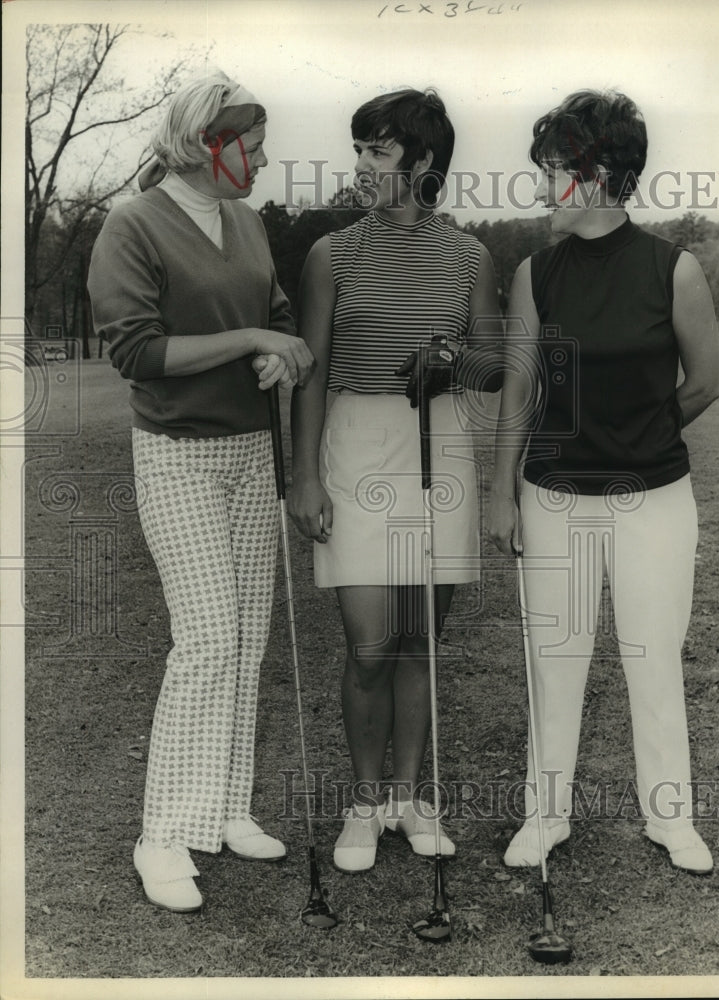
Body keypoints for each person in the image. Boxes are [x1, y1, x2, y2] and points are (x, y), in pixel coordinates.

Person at [87, 73, 315, 912]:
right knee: (208, 641)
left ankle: (224, 808)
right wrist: (250, 338)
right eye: (248, 148)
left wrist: (279, 348)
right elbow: (138, 352)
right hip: (177, 455)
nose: (260, 160)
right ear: (204, 146)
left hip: (255, 452)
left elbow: (281, 316)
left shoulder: (248, 222)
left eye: (260, 146)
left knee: (248, 638)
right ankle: (164, 835)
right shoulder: (132, 225)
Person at [259, 88, 502, 872]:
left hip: (443, 445)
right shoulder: (332, 254)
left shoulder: (469, 256)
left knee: (418, 643)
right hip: (356, 444)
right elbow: (313, 370)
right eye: (359, 148)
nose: (361, 165)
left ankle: (406, 797)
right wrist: (305, 478)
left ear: (423, 161)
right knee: (368, 647)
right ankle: (363, 805)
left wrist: (449, 362)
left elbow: (493, 366)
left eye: (379, 151)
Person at [488, 90, 719, 875]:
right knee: (555, 658)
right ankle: (543, 815)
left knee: (651, 654)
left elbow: (703, 384)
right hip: (551, 496)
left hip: (653, 499)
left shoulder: (673, 268)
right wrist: (500, 491)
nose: (540, 185)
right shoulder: (534, 273)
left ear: (599, 174)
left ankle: (670, 819)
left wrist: (639, 443)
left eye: (553, 170)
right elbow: (520, 392)